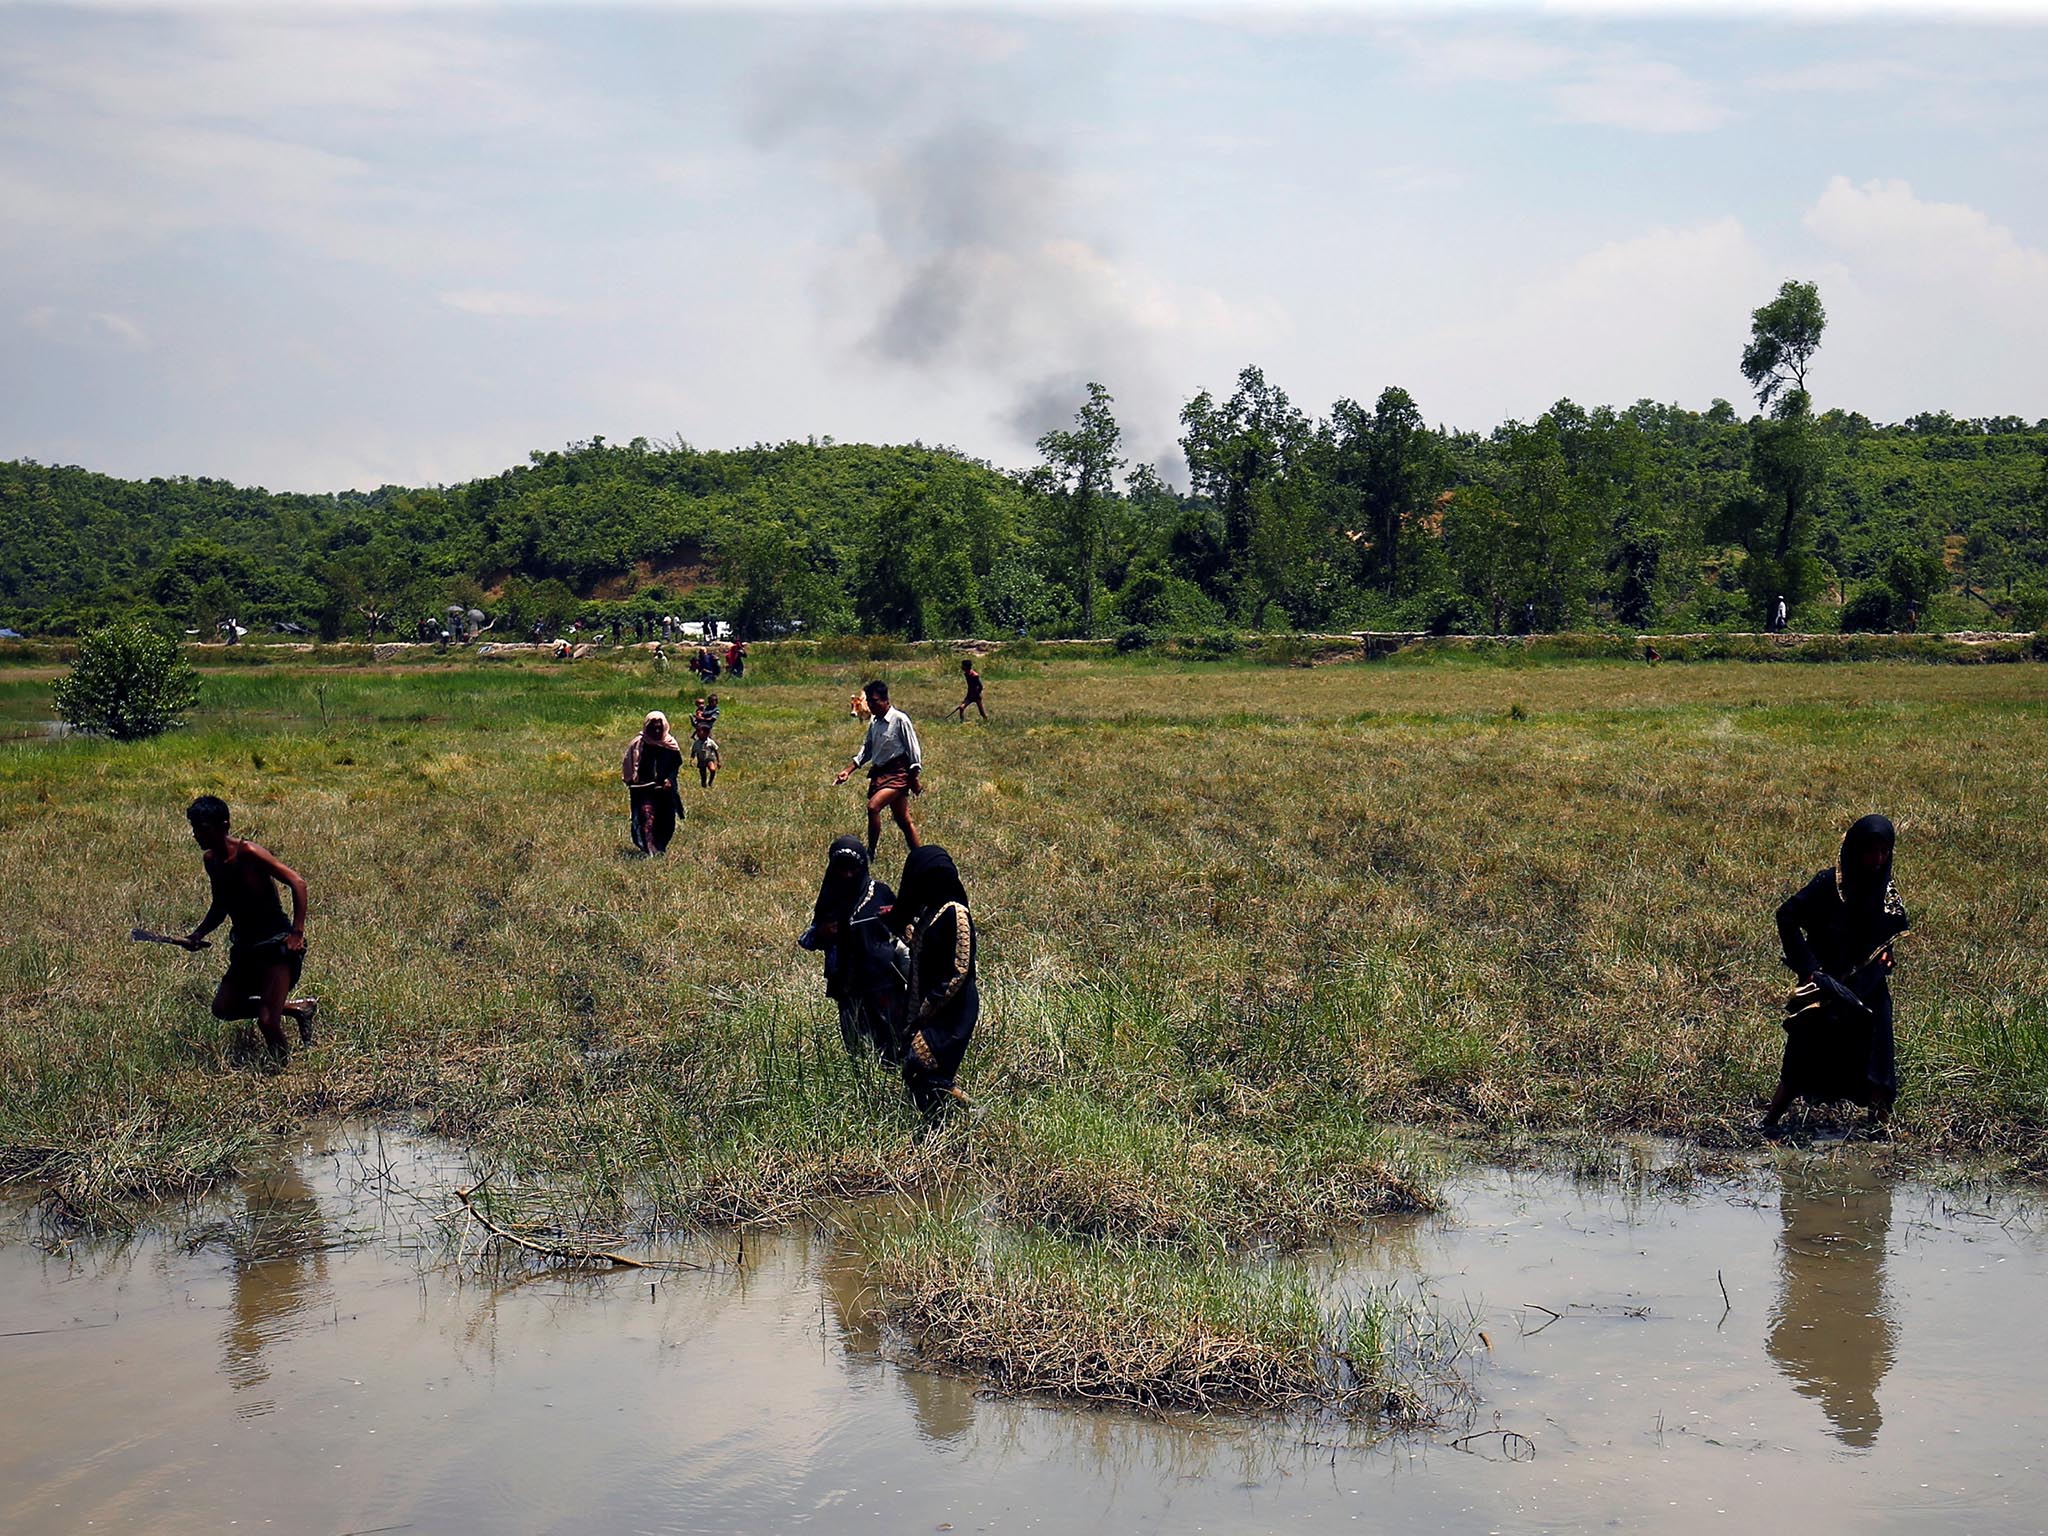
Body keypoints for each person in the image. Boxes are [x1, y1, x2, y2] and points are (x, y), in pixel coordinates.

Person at [1759, 815, 1911, 1134]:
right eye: (1871, 851)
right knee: (1802, 1055)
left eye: (1884, 852)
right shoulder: (1828, 884)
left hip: (1868, 989)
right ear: (1855, 849)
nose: (1877, 859)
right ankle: (1770, 1122)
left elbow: (1888, 942)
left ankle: (1880, 1133)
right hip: (1825, 987)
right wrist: (1809, 969)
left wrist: (1882, 963)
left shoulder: (1887, 895)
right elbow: (1786, 916)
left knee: (1877, 1060)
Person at [176, 796, 316, 1063]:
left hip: (276, 945)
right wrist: (198, 933)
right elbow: (221, 904)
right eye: (194, 828)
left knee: (267, 1021)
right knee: (224, 1008)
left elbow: (298, 882)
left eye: (202, 827)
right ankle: (299, 1008)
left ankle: (281, 1071)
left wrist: (297, 933)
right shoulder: (211, 861)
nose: (196, 834)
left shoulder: (248, 853)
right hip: (246, 948)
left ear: (224, 825)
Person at [886, 846, 978, 1124]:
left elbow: (959, 969)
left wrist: (927, 1009)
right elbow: (922, 947)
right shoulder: (933, 911)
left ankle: (968, 1114)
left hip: (953, 1009)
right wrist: (896, 922)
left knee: (921, 1064)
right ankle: (941, 1122)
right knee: (918, 1069)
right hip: (935, 1006)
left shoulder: (955, 912)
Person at [798, 836, 907, 1063]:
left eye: (853, 868)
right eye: (841, 868)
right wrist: (823, 933)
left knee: (894, 1040)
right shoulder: (831, 895)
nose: (848, 874)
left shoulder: (880, 892)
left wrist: (894, 917)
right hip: (848, 984)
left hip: (884, 981)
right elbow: (809, 939)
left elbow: (905, 927)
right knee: (858, 1047)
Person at [836, 679, 922, 854]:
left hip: (899, 774)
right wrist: (848, 770)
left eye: (874, 701)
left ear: (885, 700)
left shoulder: (900, 720)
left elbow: (914, 753)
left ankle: (871, 852)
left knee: (873, 807)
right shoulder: (875, 722)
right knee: (903, 820)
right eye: (868, 700)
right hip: (881, 773)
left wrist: (913, 780)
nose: (870, 705)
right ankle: (920, 855)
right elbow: (867, 749)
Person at [621, 711, 684, 855]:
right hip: (643, 788)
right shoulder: (639, 743)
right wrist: (633, 780)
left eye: (659, 728)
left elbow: (675, 766)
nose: (656, 731)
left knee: (665, 819)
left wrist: (669, 779)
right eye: (653, 728)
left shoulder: (670, 744)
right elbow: (629, 764)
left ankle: (659, 846)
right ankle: (648, 848)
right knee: (646, 816)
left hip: (664, 790)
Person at [948, 657, 987, 723]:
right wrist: (969, 694)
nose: (962, 667)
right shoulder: (966, 674)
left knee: (981, 712)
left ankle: (986, 720)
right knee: (961, 708)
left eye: (963, 665)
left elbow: (980, 686)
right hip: (969, 695)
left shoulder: (974, 675)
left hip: (976, 696)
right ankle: (961, 722)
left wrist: (977, 693)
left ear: (966, 666)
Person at [690, 721, 721, 788]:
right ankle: (704, 784)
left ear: (706, 733)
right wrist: (691, 760)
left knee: (712, 769)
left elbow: (716, 750)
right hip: (701, 760)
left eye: (699, 731)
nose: (697, 734)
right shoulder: (696, 743)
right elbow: (693, 752)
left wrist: (718, 761)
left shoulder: (710, 742)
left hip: (709, 758)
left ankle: (710, 782)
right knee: (703, 774)